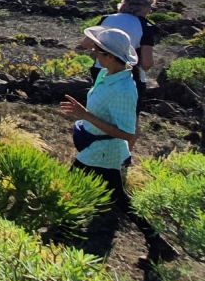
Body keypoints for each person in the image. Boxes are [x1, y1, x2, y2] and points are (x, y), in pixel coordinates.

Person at [59, 25, 175, 267]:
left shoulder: (124, 89)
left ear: (111, 56)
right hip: (97, 150)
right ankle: (158, 244)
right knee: (122, 200)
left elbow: (126, 133)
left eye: (98, 51)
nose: (94, 54)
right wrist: (84, 114)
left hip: (103, 152)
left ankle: (59, 233)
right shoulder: (106, 75)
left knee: (70, 187)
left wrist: (85, 115)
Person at [96, 0, 161, 97]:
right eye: (150, 8)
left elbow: (86, 43)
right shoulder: (146, 26)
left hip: (100, 72)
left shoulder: (107, 19)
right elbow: (146, 63)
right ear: (144, 7)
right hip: (129, 77)